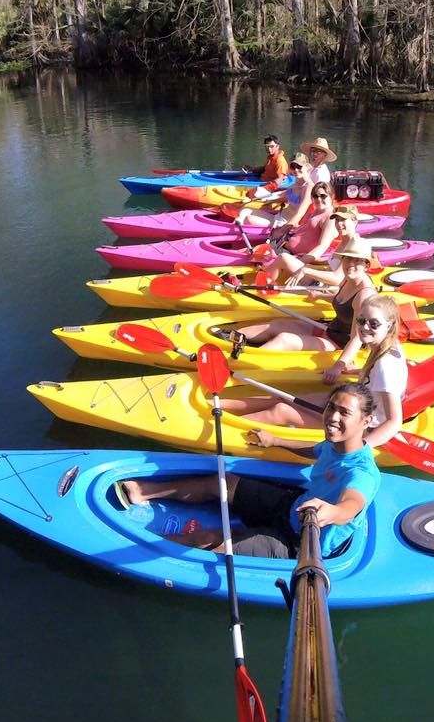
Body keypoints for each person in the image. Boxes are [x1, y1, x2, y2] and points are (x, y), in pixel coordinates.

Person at [116, 383, 382, 559]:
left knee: (212, 540)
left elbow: (352, 505)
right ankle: (142, 491)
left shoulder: (362, 473)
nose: (333, 417)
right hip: (293, 507)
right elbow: (316, 450)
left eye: (344, 412)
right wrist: (276, 441)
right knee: (225, 482)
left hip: (302, 543)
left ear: (366, 421)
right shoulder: (333, 445)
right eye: (331, 407)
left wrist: (332, 512)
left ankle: (140, 544)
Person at [223, 295, 408, 449]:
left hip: (358, 423)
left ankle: (224, 431)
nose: (365, 327)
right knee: (283, 398)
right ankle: (218, 404)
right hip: (351, 404)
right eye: (361, 320)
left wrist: (361, 446)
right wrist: (360, 370)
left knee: (281, 410)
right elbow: (380, 379)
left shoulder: (386, 365)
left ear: (389, 325)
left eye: (374, 324)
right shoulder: (388, 346)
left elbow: (394, 421)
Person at [234, 236, 376, 351]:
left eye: (357, 260)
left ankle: (243, 361)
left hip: (339, 345)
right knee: (277, 324)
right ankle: (231, 337)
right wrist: (321, 296)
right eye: (348, 258)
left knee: (284, 339)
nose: (351, 264)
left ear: (367, 265)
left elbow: (357, 339)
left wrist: (339, 365)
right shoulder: (348, 278)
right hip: (329, 330)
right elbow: (345, 301)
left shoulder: (364, 294)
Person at [259, 182, 339, 284]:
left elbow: (322, 247)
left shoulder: (329, 219)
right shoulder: (318, 211)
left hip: (294, 256)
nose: (319, 199)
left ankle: (262, 284)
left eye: (323, 196)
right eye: (315, 196)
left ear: (331, 196)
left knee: (261, 254)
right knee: (254, 251)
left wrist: (299, 263)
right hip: (286, 248)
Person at [234, 152, 314, 230]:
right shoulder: (297, 181)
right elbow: (288, 198)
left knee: (249, 219)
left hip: (284, 223)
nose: (296, 170)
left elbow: (301, 212)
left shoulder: (308, 188)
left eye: (299, 166)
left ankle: (238, 227)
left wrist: (285, 229)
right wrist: (271, 201)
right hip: (279, 216)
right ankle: (237, 223)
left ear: (307, 167)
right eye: (293, 167)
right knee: (245, 210)